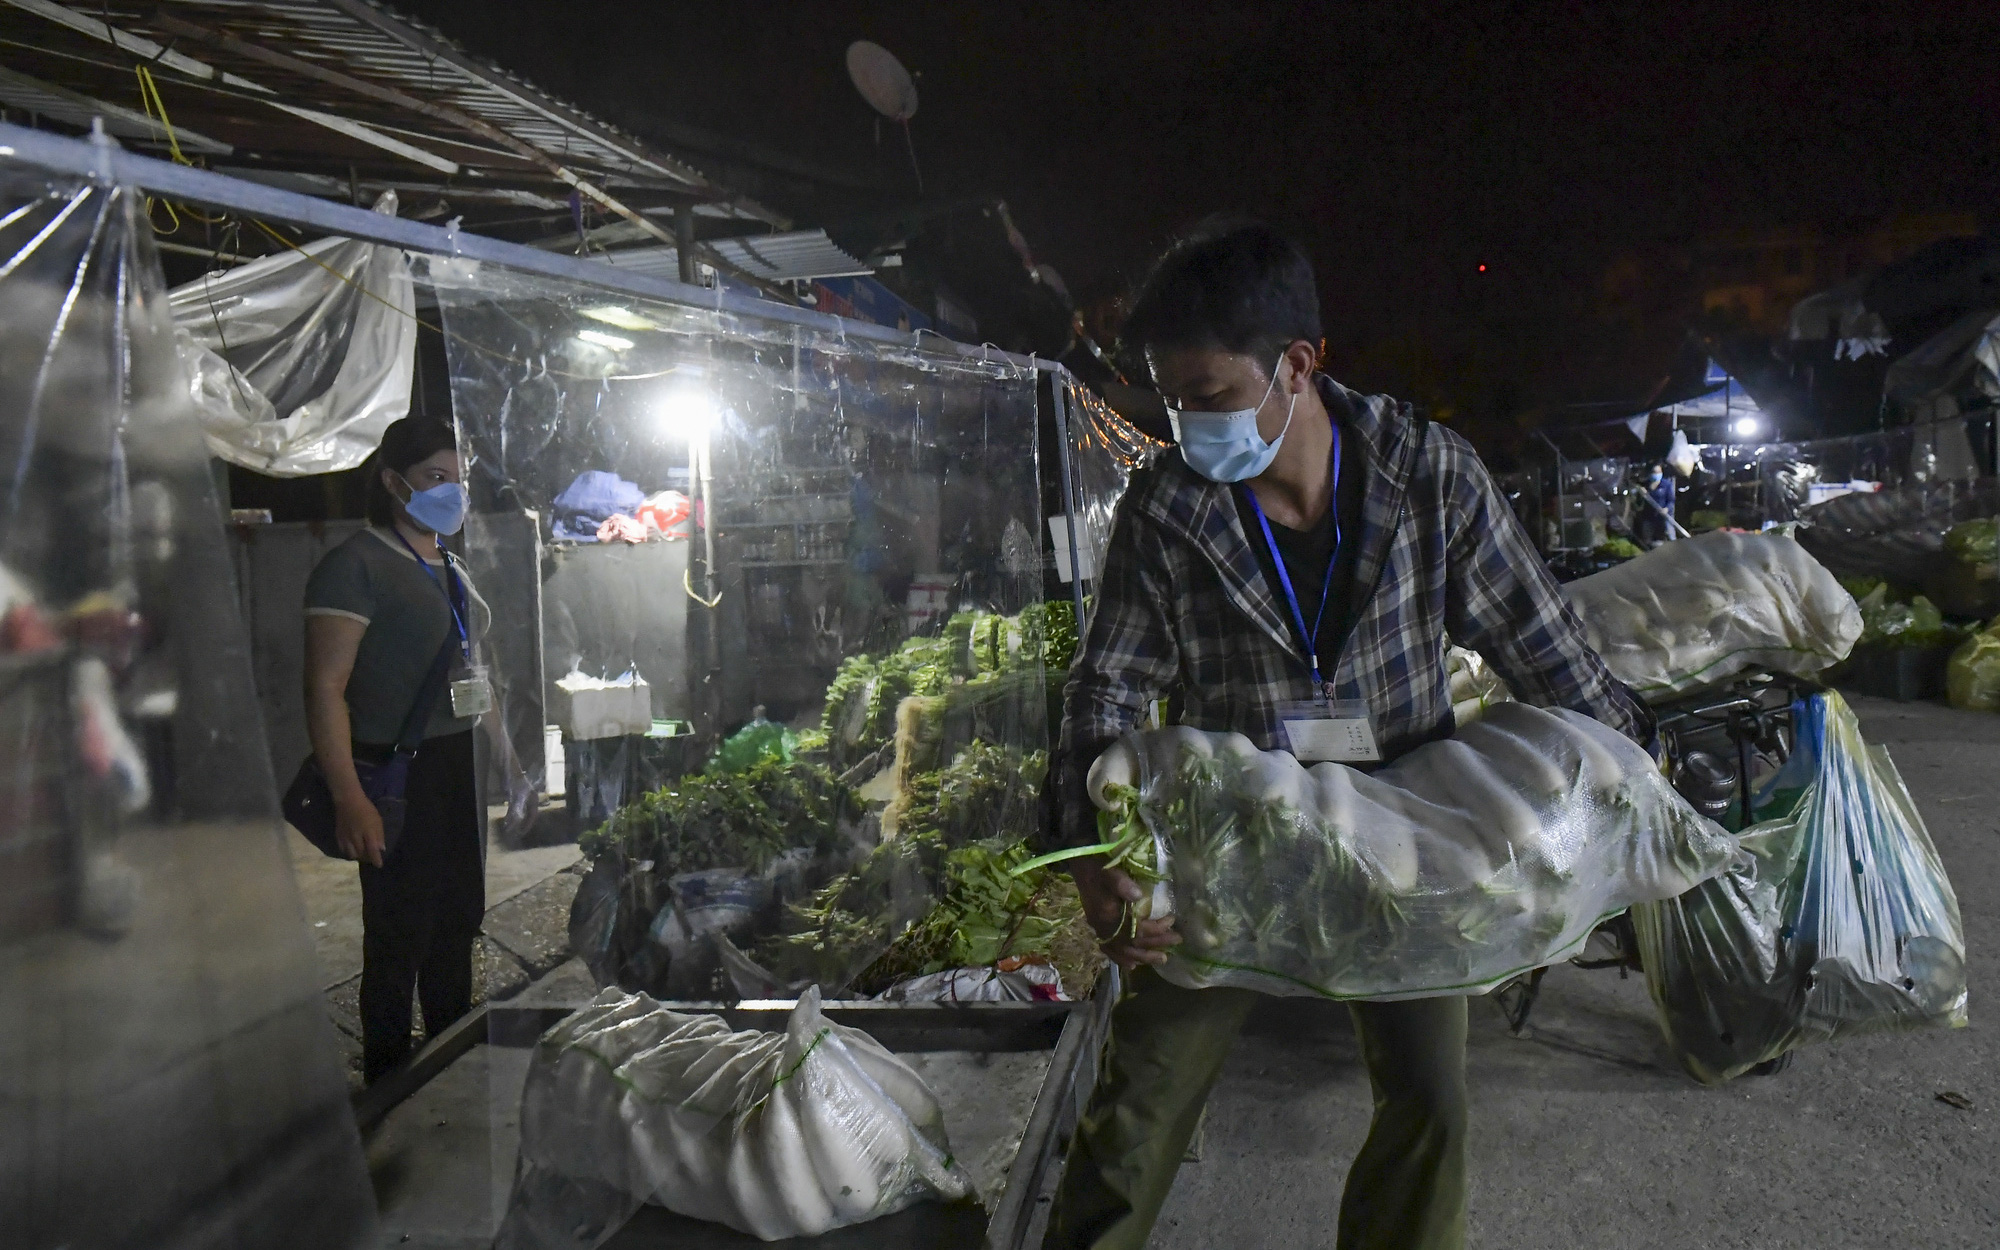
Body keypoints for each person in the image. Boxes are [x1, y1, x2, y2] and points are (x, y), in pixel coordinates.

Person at [1046, 220, 1653, 1250]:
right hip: (1230, 835)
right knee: (1139, 1103)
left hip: (1406, 833)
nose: (1186, 426)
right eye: (1170, 400)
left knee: (1429, 1102)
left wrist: (1638, 767)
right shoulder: (1166, 509)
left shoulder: (1429, 478)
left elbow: (1540, 642)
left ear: (1297, 364)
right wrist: (1088, 851)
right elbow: (1106, 683)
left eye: (1209, 399)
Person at [303, 415, 514, 1082]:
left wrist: (511, 766)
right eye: (434, 479)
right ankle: (391, 1084)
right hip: (394, 773)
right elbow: (324, 688)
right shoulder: (354, 567)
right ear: (394, 482)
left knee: (457, 922)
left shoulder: (449, 564)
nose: (452, 492)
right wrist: (349, 798)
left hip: (456, 769)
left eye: (459, 480)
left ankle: (450, 1063)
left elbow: (476, 679)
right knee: (399, 934)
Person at [1634, 462, 1677, 547]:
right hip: (1649, 516)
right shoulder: (1645, 485)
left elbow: (1671, 500)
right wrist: (1642, 494)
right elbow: (1638, 503)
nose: (1657, 474)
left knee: (1670, 538)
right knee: (1647, 540)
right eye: (1654, 472)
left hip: (1663, 517)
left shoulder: (1666, 484)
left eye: (1659, 472)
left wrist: (1667, 509)